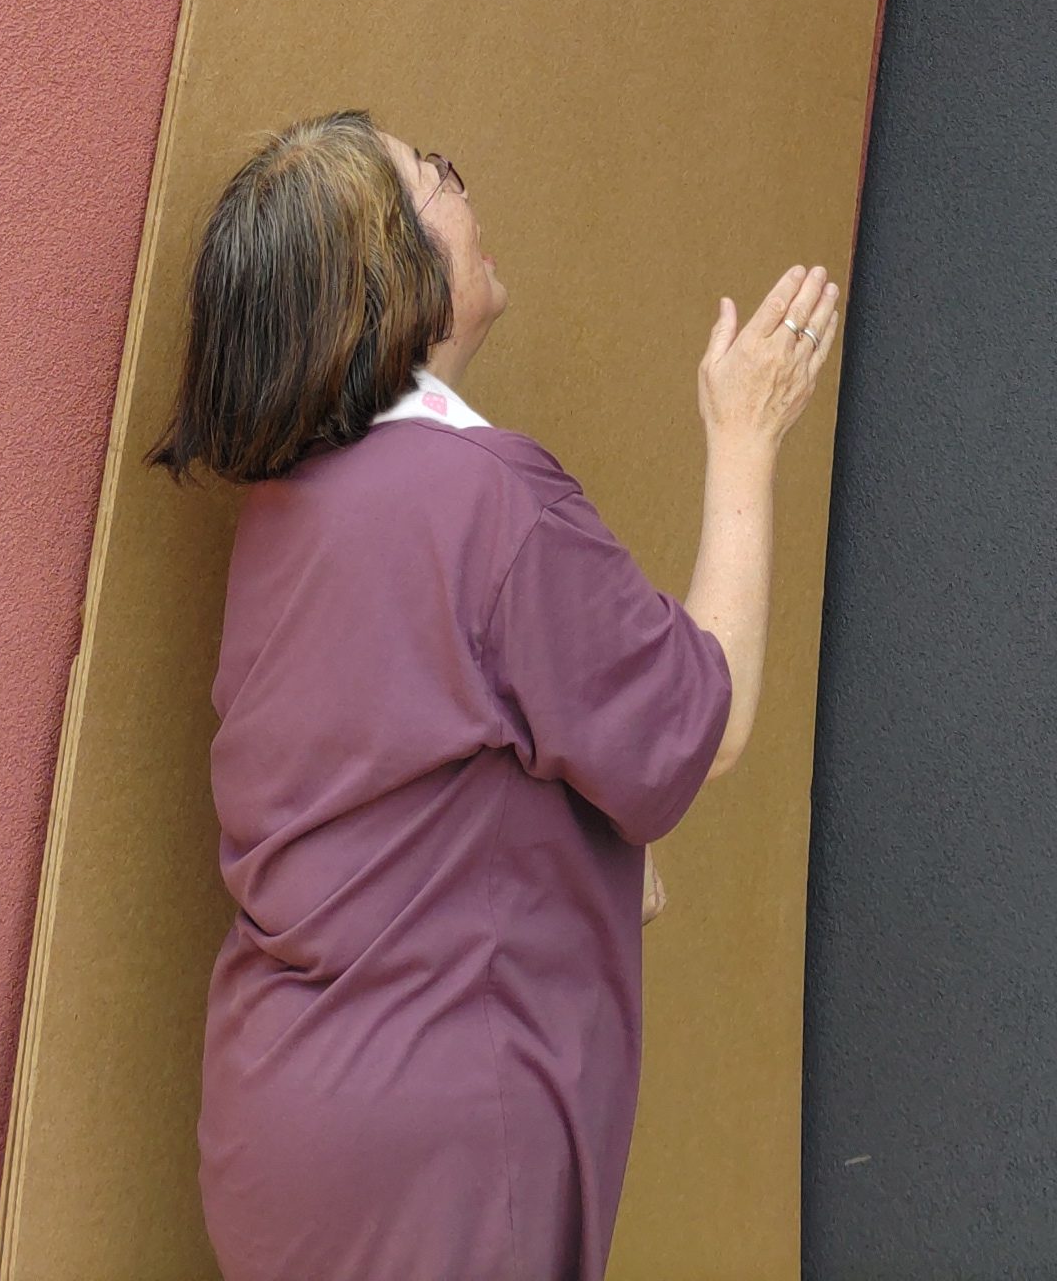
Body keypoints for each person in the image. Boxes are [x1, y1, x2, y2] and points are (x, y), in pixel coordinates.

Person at [154, 108, 840, 1281]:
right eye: (438, 177)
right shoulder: (486, 499)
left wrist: (579, 855)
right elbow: (704, 724)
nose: (465, 192)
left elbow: (411, 783)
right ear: (395, 278)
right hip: (441, 1143)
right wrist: (746, 435)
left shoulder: (285, 521)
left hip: (277, 1127)